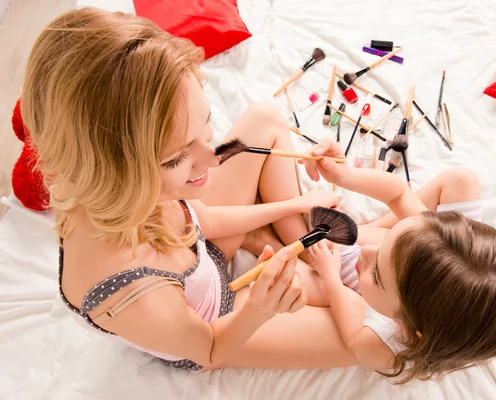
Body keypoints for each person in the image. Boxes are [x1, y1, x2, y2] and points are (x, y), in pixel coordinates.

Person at [20, 8, 360, 371]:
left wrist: (298, 203)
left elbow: (204, 220)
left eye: (207, 124)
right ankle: (287, 247)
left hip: (203, 257)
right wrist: (259, 308)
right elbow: (210, 350)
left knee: (265, 119)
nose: (214, 160)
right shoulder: (133, 292)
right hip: (219, 323)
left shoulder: (133, 190)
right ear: (114, 174)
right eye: (176, 157)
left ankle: (298, 243)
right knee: (369, 331)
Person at [298, 139, 496, 383]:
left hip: (344, 276)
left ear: (410, 328)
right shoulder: (437, 247)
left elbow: (353, 339)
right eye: (393, 238)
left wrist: (330, 278)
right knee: (462, 181)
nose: (367, 250)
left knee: (311, 252)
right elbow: (399, 192)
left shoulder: (380, 346)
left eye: (377, 277)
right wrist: (346, 176)